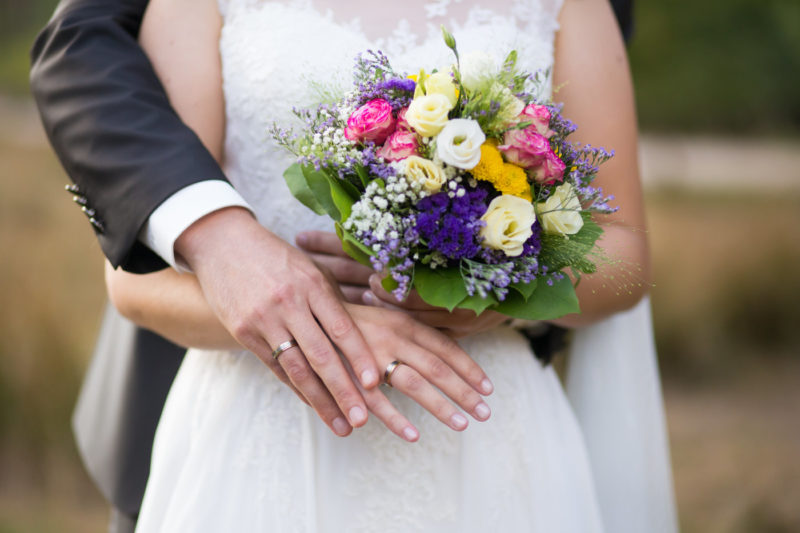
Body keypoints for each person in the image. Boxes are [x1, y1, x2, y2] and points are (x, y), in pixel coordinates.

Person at [31, 0, 678, 532]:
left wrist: (491, 291)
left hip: (484, 420)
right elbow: (138, 282)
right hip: (265, 429)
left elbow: (623, 248)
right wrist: (320, 326)